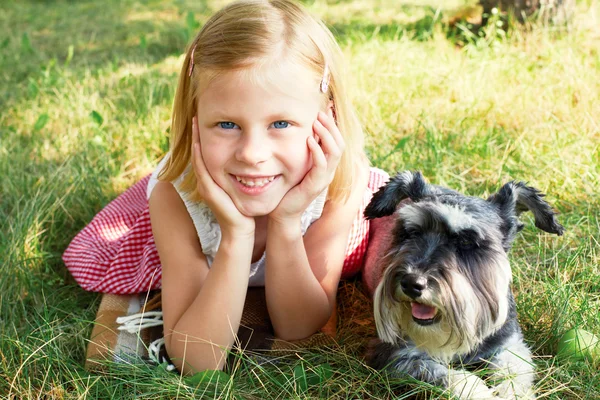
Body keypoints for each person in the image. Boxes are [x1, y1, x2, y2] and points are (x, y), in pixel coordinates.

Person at [63, 0, 389, 374]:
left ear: (326, 119)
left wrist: (287, 220)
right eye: (227, 125)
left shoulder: (337, 189)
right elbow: (196, 358)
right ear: (195, 119)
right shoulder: (175, 196)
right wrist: (235, 235)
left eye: (281, 124)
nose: (252, 154)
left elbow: (300, 328)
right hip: (200, 193)